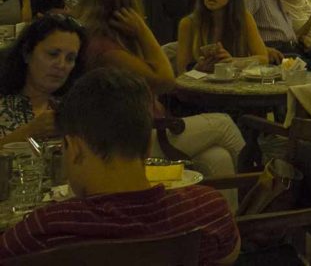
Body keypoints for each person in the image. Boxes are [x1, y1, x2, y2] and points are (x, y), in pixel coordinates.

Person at [0, 68, 239, 264]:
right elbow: (230, 254)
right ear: (147, 146)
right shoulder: (208, 210)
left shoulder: (45, 229)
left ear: (75, 149)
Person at [75, 0, 245, 179]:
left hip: (146, 128)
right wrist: (143, 31)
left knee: (218, 158)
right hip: (132, 140)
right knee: (224, 124)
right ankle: (260, 188)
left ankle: (231, 211)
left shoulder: (111, 40)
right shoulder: (106, 51)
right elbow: (165, 81)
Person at [0, 13, 86, 145]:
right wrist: (28, 132)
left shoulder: (75, 109)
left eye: (70, 59)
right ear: (27, 53)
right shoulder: (3, 104)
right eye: (53, 54)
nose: (61, 65)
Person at [176, 0, 268, 73]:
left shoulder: (244, 18)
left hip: (235, 86)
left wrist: (232, 62)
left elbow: (263, 59)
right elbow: (181, 71)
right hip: (200, 86)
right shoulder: (188, 23)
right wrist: (198, 68)